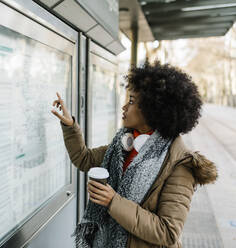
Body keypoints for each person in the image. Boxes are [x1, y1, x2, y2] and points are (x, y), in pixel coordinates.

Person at [51, 61, 217, 248]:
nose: (124, 107)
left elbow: (168, 232)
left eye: (131, 101)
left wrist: (113, 201)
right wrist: (69, 125)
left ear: (152, 109)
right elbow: (84, 159)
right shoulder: (123, 146)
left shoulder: (180, 164)